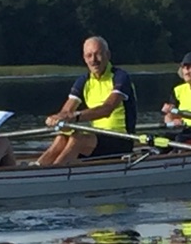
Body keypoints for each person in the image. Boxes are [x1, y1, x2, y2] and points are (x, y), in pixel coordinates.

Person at [35, 36, 133, 166]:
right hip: (98, 138)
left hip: (122, 139)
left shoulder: (120, 77)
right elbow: (66, 110)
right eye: (89, 55)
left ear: (108, 55)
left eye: (98, 54)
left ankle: (54, 173)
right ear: (84, 58)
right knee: (61, 137)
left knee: (78, 138)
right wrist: (58, 118)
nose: (93, 60)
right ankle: (37, 168)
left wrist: (74, 117)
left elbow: (107, 108)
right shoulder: (83, 81)